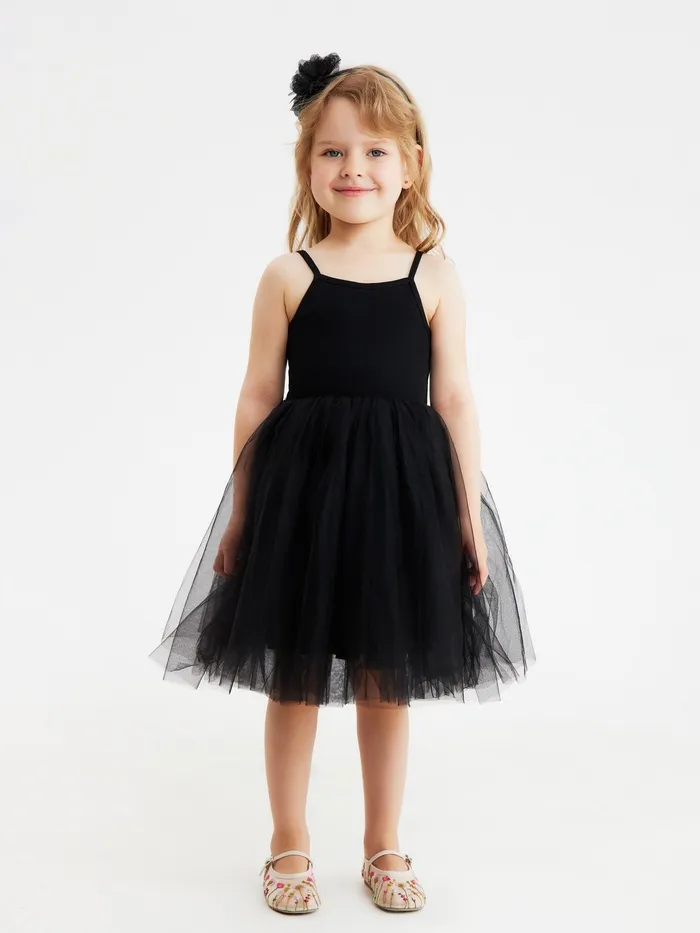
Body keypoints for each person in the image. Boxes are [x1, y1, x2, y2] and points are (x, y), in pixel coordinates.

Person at [148, 52, 536, 914]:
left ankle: (381, 839)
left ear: (412, 164)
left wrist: (465, 515)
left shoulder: (434, 275)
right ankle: (288, 838)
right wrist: (243, 512)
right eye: (332, 151)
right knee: (293, 676)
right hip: (304, 498)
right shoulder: (289, 275)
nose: (353, 167)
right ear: (307, 165)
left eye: (374, 151)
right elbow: (258, 395)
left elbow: (455, 398)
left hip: (401, 501)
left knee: (384, 678)